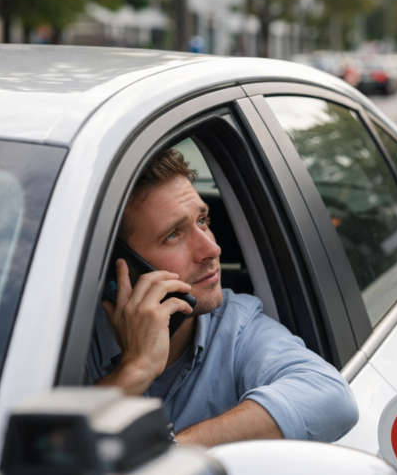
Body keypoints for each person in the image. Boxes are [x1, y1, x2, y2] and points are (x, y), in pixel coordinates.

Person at [88, 149, 358, 447]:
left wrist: (169, 455)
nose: (212, 250)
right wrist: (136, 368)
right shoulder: (66, 346)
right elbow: (39, 462)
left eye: (202, 220)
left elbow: (331, 399)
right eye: (173, 235)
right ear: (119, 264)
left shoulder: (237, 325)